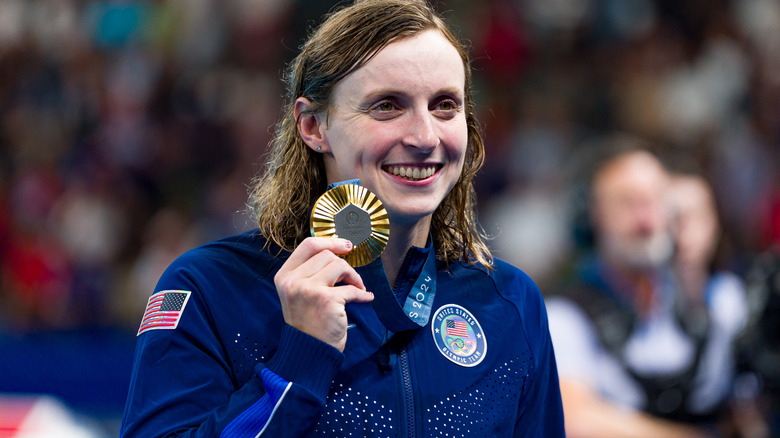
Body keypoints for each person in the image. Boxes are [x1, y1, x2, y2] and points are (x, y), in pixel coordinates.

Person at [120, 1, 565, 436]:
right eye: (387, 106)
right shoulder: (212, 289)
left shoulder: (509, 304)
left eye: (445, 105)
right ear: (314, 126)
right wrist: (298, 362)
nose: (426, 136)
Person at [546, 137, 746, 438]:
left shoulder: (720, 299)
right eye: (627, 203)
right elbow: (573, 419)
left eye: (655, 201)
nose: (646, 221)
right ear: (592, 216)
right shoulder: (564, 315)